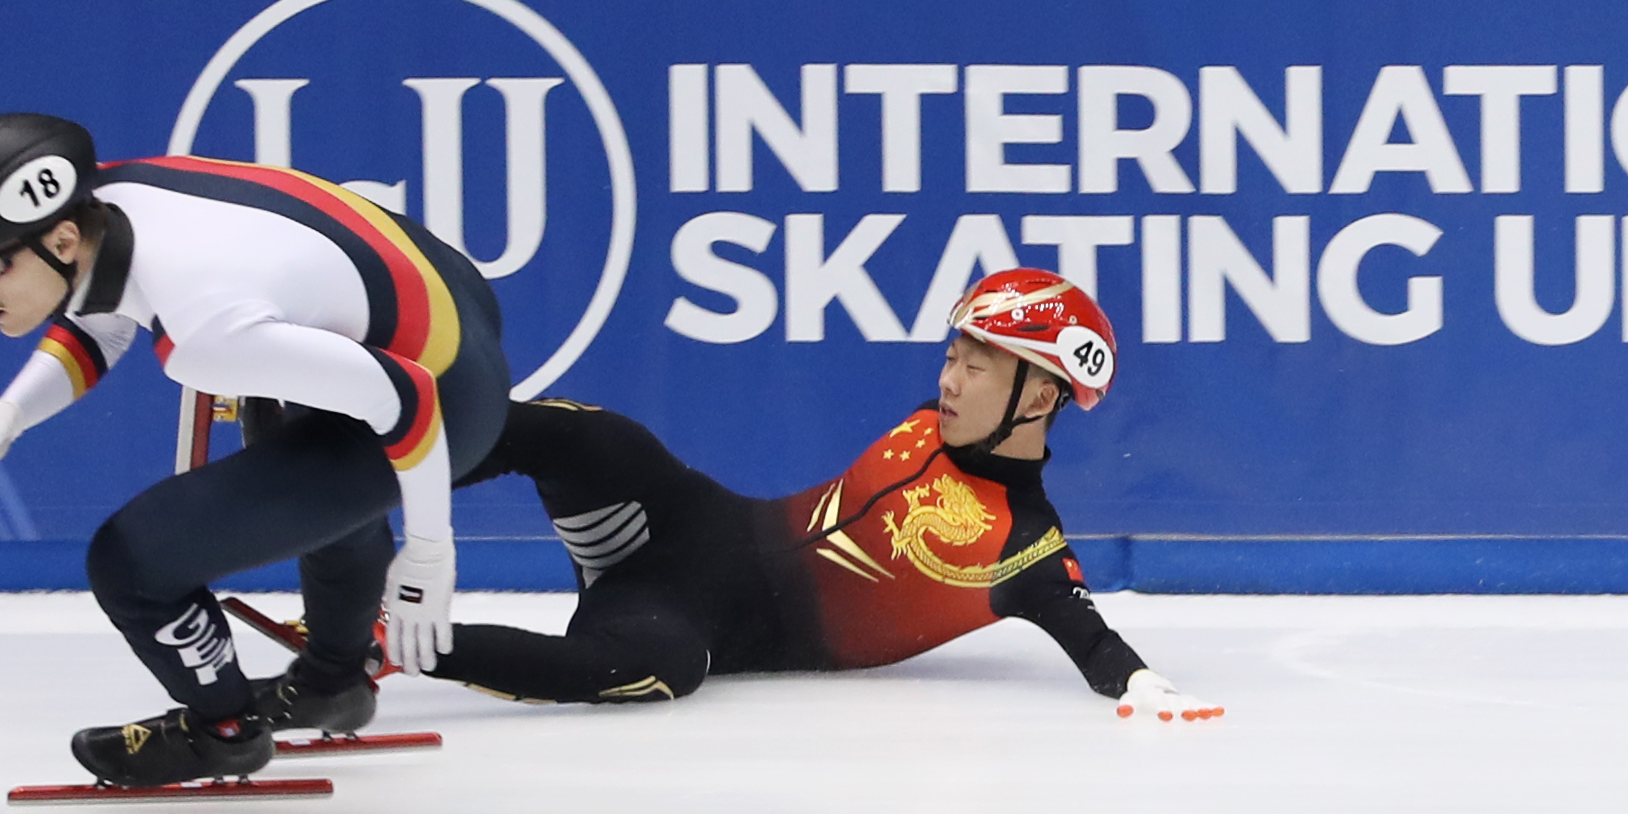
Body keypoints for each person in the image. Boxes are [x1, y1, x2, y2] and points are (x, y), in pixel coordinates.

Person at [0, 113, 510, 785]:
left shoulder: (203, 330)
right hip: (441, 303)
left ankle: (224, 731)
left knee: (133, 564)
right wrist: (10, 412)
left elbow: (404, 396)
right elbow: (101, 316)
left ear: (61, 237)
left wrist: (431, 552)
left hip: (441, 395)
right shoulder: (111, 204)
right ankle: (334, 683)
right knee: (299, 460)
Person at [429, 267, 1220, 722]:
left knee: (660, 671)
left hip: (688, 624)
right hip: (683, 522)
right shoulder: (930, 420)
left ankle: (381, 641)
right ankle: (357, 462)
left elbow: (1099, 648)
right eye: (951, 355)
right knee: (599, 437)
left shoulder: (1025, 547)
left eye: (976, 369)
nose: (947, 380)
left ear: (1041, 399)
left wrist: (1149, 690)